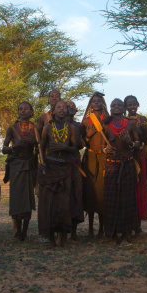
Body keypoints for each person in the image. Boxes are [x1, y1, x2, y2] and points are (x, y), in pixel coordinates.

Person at [38, 101, 78, 247]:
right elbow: (41, 148)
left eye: (64, 108)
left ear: (68, 111)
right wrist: (42, 162)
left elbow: (75, 149)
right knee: (49, 203)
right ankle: (51, 237)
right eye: (58, 107)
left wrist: (64, 147)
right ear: (53, 111)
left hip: (65, 167)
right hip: (49, 168)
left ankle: (62, 236)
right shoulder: (47, 128)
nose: (62, 109)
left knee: (63, 203)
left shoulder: (71, 128)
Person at [102, 99, 140, 244]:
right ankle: (113, 232)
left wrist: (130, 142)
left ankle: (126, 232)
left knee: (126, 200)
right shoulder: (105, 125)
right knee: (112, 200)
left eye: (118, 105)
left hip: (127, 164)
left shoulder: (130, 123)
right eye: (113, 105)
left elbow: (138, 144)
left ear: (124, 108)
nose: (115, 107)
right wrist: (106, 149)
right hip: (111, 165)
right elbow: (100, 146)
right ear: (110, 109)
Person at [2, 102, 39, 241]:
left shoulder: (35, 128)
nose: (23, 111)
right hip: (16, 166)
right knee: (16, 198)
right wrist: (14, 147)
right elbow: (4, 149)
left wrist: (34, 142)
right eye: (20, 109)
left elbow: (40, 148)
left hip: (30, 166)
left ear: (31, 112)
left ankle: (24, 231)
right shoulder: (12, 128)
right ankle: (17, 231)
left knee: (28, 198)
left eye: (26, 109)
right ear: (18, 112)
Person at [81, 92, 109, 237]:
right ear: (90, 104)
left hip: (104, 158)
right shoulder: (86, 121)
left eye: (99, 101)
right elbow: (80, 144)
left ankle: (102, 228)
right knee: (91, 192)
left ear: (103, 103)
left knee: (102, 192)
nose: (96, 103)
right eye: (94, 101)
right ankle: (91, 228)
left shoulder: (108, 120)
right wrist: (88, 135)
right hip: (90, 158)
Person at [124, 95, 147, 233]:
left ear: (138, 105)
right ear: (125, 107)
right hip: (126, 156)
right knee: (128, 189)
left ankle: (138, 224)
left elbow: (146, 141)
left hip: (139, 156)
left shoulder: (142, 119)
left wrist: (145, 130)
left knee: (138, 188)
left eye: (134, 104)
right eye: (129, 104)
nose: (132, 107)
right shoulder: (122, 120)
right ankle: (128, 222)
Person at [65, 100, 85, 241]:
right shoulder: (57, 126)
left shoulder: (79, 126)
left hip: (76, 163)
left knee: (76, 194)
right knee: (63, 195)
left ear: (76, 110)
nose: (70, 108)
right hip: (62, 163)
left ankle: (74, 231)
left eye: (73, 106)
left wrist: (80, 142)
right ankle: (62, 229)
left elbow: (83, 144)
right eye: (68, 106)